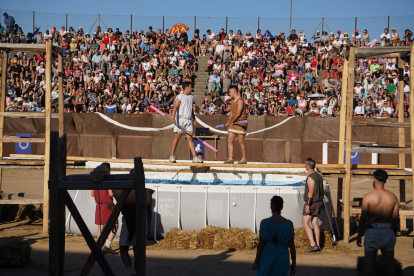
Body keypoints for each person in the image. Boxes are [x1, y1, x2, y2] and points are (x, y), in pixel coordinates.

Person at [357, 169, 399, 276]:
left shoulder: (368, 197)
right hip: (388, 231)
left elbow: (363, 219)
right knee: (390, 265)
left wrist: (359, 235)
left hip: (373, 231)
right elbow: (395, 219)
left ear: (374, 180)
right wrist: (394, 232)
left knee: (369, 266)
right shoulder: (393, 197)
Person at [115, 169, 154, 276]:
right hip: (139, 223)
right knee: (136, 250)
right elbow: (149, 212)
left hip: (130, 222)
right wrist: (148, 225)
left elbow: (117, 208)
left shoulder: (123, 191)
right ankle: (134, 271)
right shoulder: (146, 191)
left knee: (124, 249)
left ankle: (131, 270)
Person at [252, 196, 296, 276]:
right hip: (283, 255)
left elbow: (261, 244)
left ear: (271, 206)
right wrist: (294, 263)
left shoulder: (264, 223)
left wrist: (256, 261)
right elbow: (292, 245)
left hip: (267, 254)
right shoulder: (289, 224)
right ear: (282, 207)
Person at [169, 82, 202, 163]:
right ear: (186, 87)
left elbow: (190, 109)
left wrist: (194, 119)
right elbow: (175, 107)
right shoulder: (180, 96)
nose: (192, 88)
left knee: (190, 138)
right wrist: (173, 118)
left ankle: (194, 157)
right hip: (181, 119)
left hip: (188, 120)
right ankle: (172, 156)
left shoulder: (191, 96)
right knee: (177, 137)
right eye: (191, 87)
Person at [90, 163, 118, 255]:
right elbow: (111, 194)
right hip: (107, 205)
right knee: (115, 224)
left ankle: (99, 246)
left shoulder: (94, 181)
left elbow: (92, 194)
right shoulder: (107, 181)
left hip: (98, 205)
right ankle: (107, 245)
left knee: (100, 226)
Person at [301, 158, 324, 253]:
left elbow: (311, 191)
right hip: (318, 202)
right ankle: (318, 245)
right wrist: (322, 202)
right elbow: (322, 191)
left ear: (308, 166)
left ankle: (312, 244)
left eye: (305, 164)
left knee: (305, 223)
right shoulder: (319, 176)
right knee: (314, 223)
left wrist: (307, 204)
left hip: (312, 203)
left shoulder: (311, 177)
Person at [224, 85, 248, 164]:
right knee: (229, 140)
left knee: (241, 141)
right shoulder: (232, 100)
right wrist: (229, 121)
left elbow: (238, 113)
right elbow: (231, 112)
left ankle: (244, 158)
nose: (229, 94)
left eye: (230, 92)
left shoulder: (240, 100)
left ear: (234, 91)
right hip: (234, 123)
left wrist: (232, 121)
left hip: (241, 122)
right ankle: (230, 158)